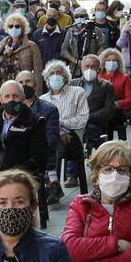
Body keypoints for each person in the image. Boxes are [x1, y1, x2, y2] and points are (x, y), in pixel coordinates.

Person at [43, 59, 89, 187]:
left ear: (65, 77)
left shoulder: (77, 92)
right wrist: (57, 130)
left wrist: (62, 124)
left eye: (59, 72)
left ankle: (51, 181)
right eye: (52, 73)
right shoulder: (43, 99)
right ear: (47, 78)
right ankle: (53, 184)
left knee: (51, 141)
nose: (55, 76)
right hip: (53, 137)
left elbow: (82, 119)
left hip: (72, 137)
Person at [80, 52, 123, 146]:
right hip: (75, 124)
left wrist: (88, 117)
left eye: (93, 67)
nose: (89, 69)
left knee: (91, 131)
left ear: (99, 70)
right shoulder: (73, 84)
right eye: (87, 66)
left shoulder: (106, 86)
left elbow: (109, 110)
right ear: (82, 68)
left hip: (96, 124)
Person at [0, 13, 42, 92]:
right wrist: (6, 55)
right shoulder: (2, 44)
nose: (14, 28)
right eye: (11, 26)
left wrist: (38, 93)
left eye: (17, 26)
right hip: (5, 87)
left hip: (23, 88)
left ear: (23, 28)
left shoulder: (31, 46)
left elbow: (38, 72)